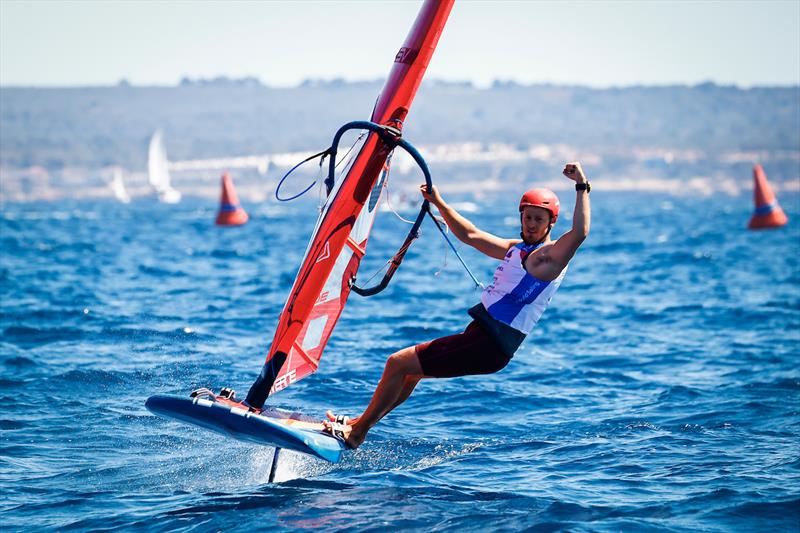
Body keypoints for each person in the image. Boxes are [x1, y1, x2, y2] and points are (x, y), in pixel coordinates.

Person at [323, 162, 592, 449]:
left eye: (539, 219)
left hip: (490, 344)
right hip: (480, 338)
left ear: (551, 223)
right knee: (410, 373)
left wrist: (581, 185)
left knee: (397, 363)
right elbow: (471, 235)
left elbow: (579, 233)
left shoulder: (547, 259)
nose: (531, 224)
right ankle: (359, 425)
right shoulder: (518, 249)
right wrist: (439, 202)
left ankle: (357, 432)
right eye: (527, 217)